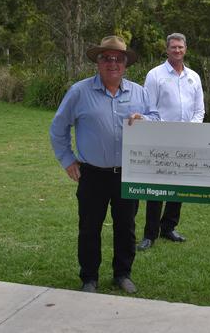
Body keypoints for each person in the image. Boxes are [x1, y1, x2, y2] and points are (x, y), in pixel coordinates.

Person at [50, 35, 159, 294]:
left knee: (126, 227)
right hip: (92, 175)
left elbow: (156, 118)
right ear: (98, 63)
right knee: (89, 228)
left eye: (118, 59)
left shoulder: (139, 92)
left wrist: (143, 118)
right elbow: (58, 128)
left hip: (128, 174)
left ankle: (122, 274)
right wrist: (67, 160)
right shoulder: (79, 92)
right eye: (107, 58)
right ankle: (89, 278)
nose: (113, 64)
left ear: (125, 64)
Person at [136, 33, 205, 251]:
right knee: (156, 188)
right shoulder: (155, 75)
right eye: (173, 47)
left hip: (187, 139)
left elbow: (199, 110)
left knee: (179, 186)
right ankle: (150, 233)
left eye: (180, 47)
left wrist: (190, 130)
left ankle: (168, 227)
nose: (177, 50)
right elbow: (149, 108)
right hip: (161, 138)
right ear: (167, 50)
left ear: (186, 49)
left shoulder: (193, 76)